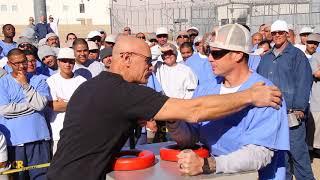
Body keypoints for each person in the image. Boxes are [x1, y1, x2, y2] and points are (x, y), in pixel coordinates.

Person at [47, 36, 283, 180]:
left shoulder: (91, 87)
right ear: (127, 58)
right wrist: (250, 96)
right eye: (147, 61)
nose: (151, 68)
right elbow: (195, 110)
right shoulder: (125, 93)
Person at [168, 23, 289, 179]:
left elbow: (259, 154)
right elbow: (191, 136)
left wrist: (209, 164)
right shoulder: (207, 89)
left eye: (217, 53)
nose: (210, 58)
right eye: (209, 52)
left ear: (238, 54)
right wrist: (173, 122)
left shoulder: (266, 93)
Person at [257, 20, 315, 180]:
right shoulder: (266, 58)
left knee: (298, 155)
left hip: (291, 113)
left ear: (287, 34)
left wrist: (299, 108)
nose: (277, 36)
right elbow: (260, 82)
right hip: (271, 113)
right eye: (274, 33)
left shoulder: (297, 55)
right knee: (281, 157)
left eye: (280, 33)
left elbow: (304, 81)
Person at [0, 49, 51, 180]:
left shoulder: (39, 80)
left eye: (23, 61)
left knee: (42, 177)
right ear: (9, 64)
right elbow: (4, 110)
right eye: (16, 63)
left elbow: (40, 105)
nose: (21, 66)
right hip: (15, 142)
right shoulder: (2, 83)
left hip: (39, 138)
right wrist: (31, 106)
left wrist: (25, 85)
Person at [47, 48, 86, 154]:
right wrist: (75, 103)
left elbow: (85, 106)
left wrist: (64, 103)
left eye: (71, 61)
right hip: (57, 131)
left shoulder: (82, 81)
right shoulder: (51, 81)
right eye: (64, 61)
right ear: (58, 62)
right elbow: (54, 106)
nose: (68, 64)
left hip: (77, 130)